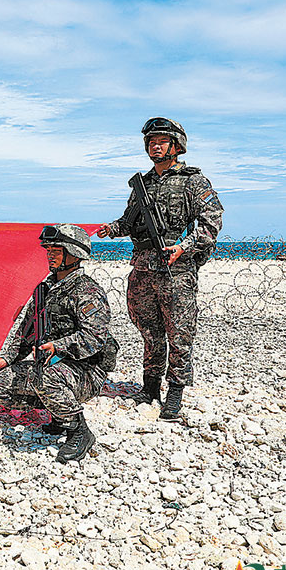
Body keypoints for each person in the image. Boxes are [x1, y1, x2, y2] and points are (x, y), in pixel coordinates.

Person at [97, 117, 223, 421]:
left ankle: (175, 392)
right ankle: (150, 386)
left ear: (176, 146)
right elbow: (128, 221)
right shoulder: (143, 184)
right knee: (149, 331)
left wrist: (184, 247)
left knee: (179, 332)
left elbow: (212, 222)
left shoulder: (193, 181)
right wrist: (109, 229)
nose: (155, 146)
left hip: (175, 268)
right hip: (142, 266)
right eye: (151, 142)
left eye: (161, 141)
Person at [0, 225, 117, 463]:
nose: (50, 255)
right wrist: (8, 358)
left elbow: (94, 338)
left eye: (57, 250)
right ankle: (58, 413)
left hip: (85, 371)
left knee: (46, 377)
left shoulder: (87, 291)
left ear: (74, 254)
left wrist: (58, 346)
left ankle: (79, 431)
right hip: (50, 366)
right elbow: (26, 331)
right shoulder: (44, 289)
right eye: (48, 249)